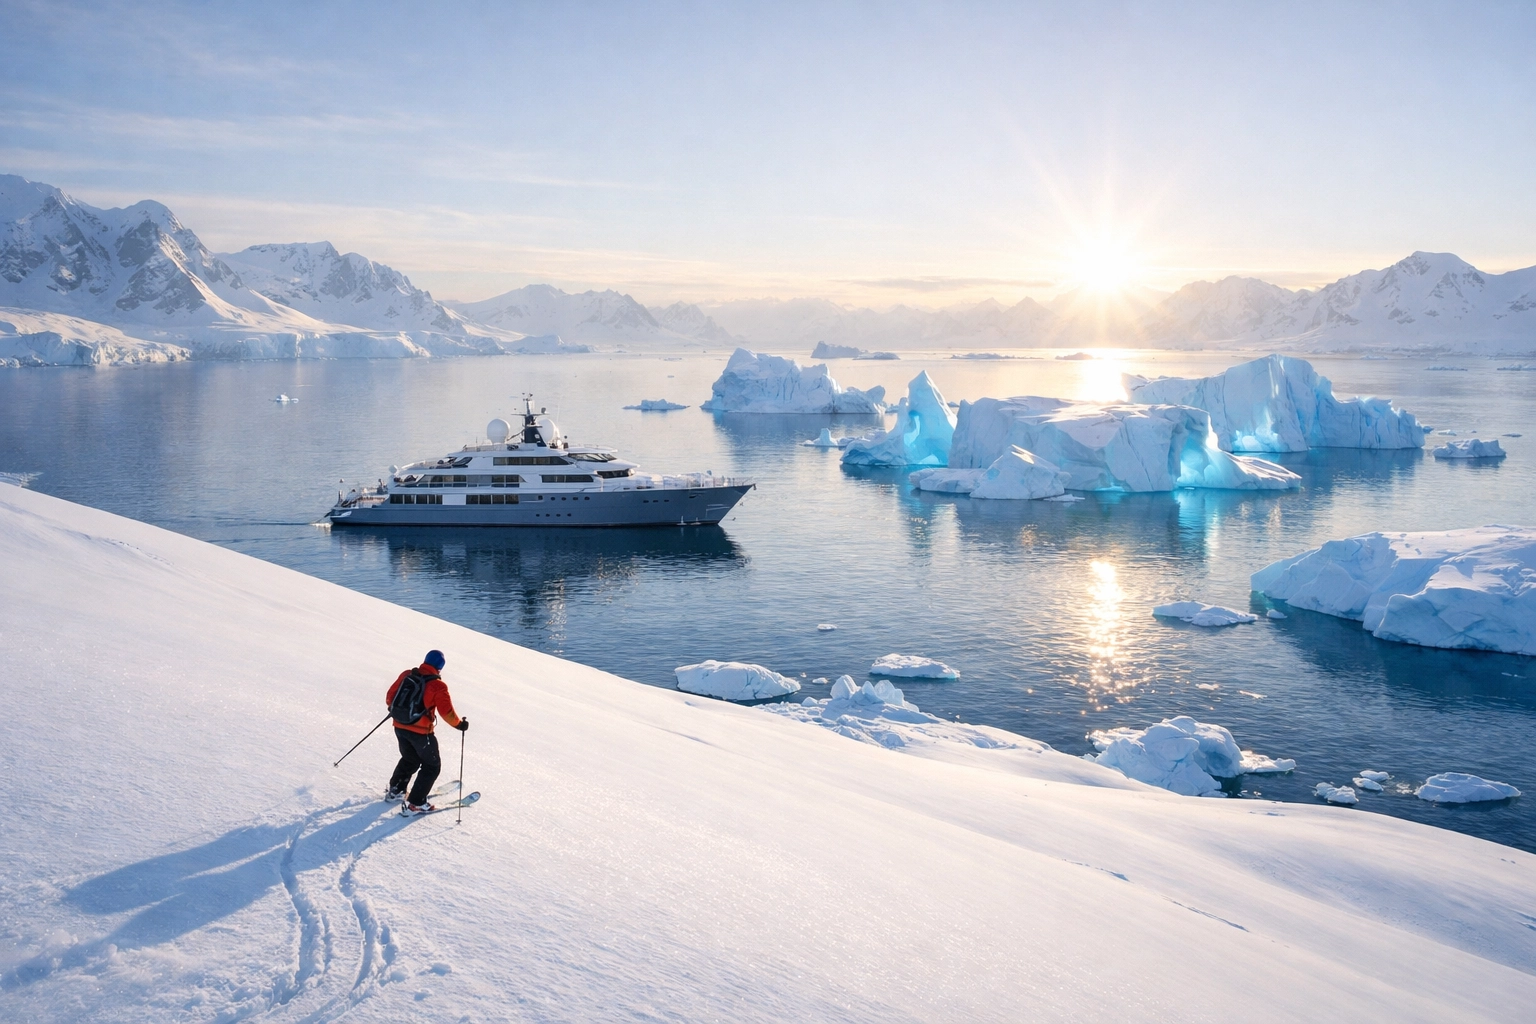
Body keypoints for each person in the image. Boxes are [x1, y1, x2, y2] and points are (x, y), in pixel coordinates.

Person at [385, 649, 468, 815]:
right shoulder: (438, 685)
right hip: (422, 733)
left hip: (399, 726)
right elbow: (447, 713)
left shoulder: (407, 675)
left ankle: (396, 790)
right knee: (432, 766)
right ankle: (416, 803)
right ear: (440, 667)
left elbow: (390, 697)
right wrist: (459, 725)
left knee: (410, 758)